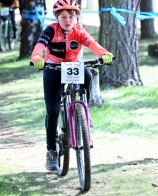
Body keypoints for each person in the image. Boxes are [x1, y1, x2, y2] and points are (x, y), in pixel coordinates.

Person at [30, 0, 113, 171]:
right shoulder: (50, 30)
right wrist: (37, 57)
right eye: (64, 17)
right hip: (53, 68)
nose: (68, 20)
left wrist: (103, 54)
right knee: (52, 110)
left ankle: (83, 111)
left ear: (76, 17)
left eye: (71, 17)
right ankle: (51, 151)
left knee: (88, 74)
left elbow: (92, 44)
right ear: (57, 18)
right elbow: (39, 46)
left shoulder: (79, 31)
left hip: (73, 66)